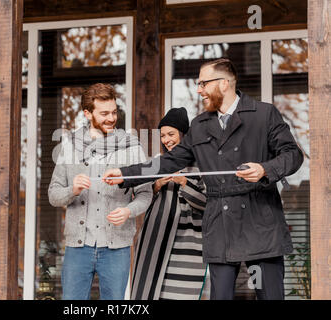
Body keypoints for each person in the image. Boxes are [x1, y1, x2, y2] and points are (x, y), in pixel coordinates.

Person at [103, 58, 304, 300]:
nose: (198, 90)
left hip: (260, 221)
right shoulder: (199, 126)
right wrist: (126, 174)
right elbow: (168, 162)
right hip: (220, 225)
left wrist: (264, 169)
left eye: (203, 83)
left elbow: (293, 155)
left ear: (224, 84)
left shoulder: (263, 114)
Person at [48, 83, 152, 300]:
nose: (111, 118)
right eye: (104, 113)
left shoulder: (132, 147)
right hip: (78, 248)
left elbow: (145, 194)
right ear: (88, 113)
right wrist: (72, 190)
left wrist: (128, 211)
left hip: (117, 249)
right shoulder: (70, 146)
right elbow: (53, 194)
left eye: (114, 112)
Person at [131, 107, 209, 300]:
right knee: (150, 292)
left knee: (181, 293)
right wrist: (156, 185)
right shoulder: (158, 163)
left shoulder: (203, 164)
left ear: (184, 134)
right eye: (163, 135)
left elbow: (208, 203)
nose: (167, 140)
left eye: (171, 134)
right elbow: (141, 200)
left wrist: (184, 182)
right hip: (155, 237)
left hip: (188, 241)